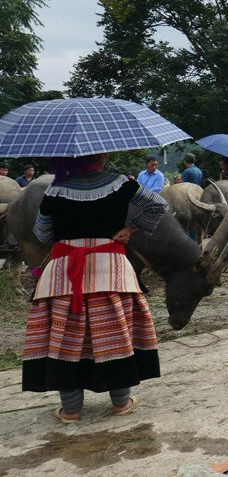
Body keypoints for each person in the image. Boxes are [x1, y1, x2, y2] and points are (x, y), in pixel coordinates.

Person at [24, 153, 166, 422]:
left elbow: (42, 233)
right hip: (110, 270)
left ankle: (71, 410)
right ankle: (121, 403)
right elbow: (158, 205)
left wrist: (69, 231)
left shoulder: (54, 190)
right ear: (101, 154)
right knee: (114, 332)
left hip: (64, 273)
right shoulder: (122, 183)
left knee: (66, 337)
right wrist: (130, 229)